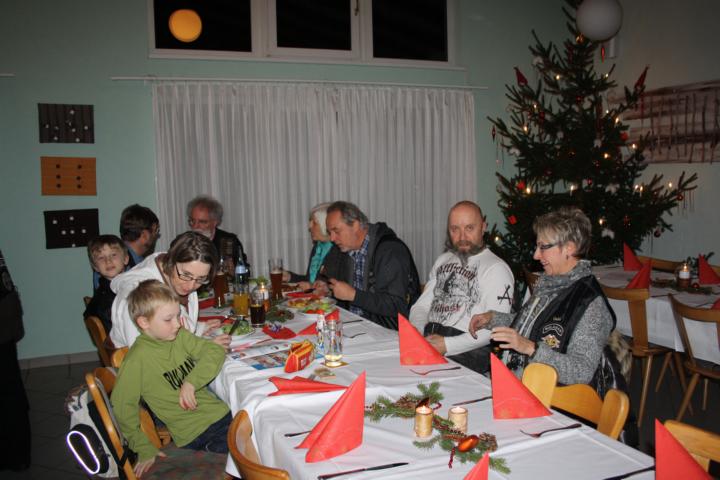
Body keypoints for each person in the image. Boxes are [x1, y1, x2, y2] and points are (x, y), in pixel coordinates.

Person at [469, 207, 624, 397]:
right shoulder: (551, 283)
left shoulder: (590, 304)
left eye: (543, 247)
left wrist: (531, 349)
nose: (536, 255)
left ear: (569, 248)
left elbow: (581, 371)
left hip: (550, 399)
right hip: (516, 382)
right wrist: (493, 318)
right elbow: (533, 325)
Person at [111, 280, 230, 478]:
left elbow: (214, 351)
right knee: (250, 455)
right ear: (144, 322)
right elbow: (122, 406)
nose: (177, 324)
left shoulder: (179, 336)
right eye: (168, 319)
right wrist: (143, 447)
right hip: (193, 436)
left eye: (177, 316)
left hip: (221, 418)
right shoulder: (137, 360)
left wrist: (191, 382)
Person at [409, 201, 514, 373]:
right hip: (430, 339)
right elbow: (421, 306)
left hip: (467, 351)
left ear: (483, 227)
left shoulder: (496, 268)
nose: (462, 237)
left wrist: (446, 345)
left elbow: (495, 329)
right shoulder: (443, 260)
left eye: (469, 228)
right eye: (455, 229)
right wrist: (418, 331)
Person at [109, 231, 230, 349]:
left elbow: (165, 326)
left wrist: (198, 327)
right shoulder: (137, 294)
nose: (190, 286)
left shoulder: (181, 272)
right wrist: (205, 351)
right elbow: (146, 355)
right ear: (171, 261)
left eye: (201, 279)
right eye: (186, 275)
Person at [318, 201, 421, 330]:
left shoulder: (390, 251)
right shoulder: (347, 250)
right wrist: (328, 288)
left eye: (336, 231)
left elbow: (397, 305)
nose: (332, 238)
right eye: (330, 232)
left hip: (388, 332)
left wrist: (354, 295)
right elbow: (341, 292)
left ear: (355, 225)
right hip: (356, 325)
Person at [0, 249, 31, 471]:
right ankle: (17, 454)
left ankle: (15, 454)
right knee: (10, 389)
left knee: (8, 391)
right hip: (5, 313)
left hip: (3, 318)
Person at [284, 202, 342, 291]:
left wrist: (312, 287)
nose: (310, 226)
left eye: (314, 223)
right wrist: (289, 277)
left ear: (325, 225)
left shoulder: (339, 249)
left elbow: (338, 286)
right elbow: (310, 280)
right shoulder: (317, 248)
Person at [84, 235, 130, 334]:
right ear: (95, 267)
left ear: (126, 258)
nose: (108, 261)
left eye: (113, 255)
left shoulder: (131, 285)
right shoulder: (106, 300)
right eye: (101, 258)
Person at [187, 195, 247, 269]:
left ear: (215, 222)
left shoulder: (229, 242)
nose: (195, 226)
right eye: (192, 221)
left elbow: (243, 270)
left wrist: (234, 271)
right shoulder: (182, 242)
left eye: (202, 222)